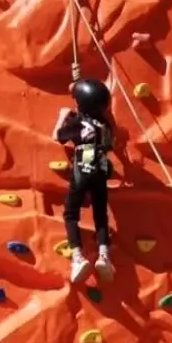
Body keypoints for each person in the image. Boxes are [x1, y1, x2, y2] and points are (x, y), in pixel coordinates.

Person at [55, 78, 116, 284]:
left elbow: (58, 137)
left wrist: (62, 117)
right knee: (100, 214)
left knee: (71, 214)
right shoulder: (106, 125)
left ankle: (78, 257)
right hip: (101, 168)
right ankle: (104, 256)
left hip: (83, 166)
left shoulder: (78, 123)